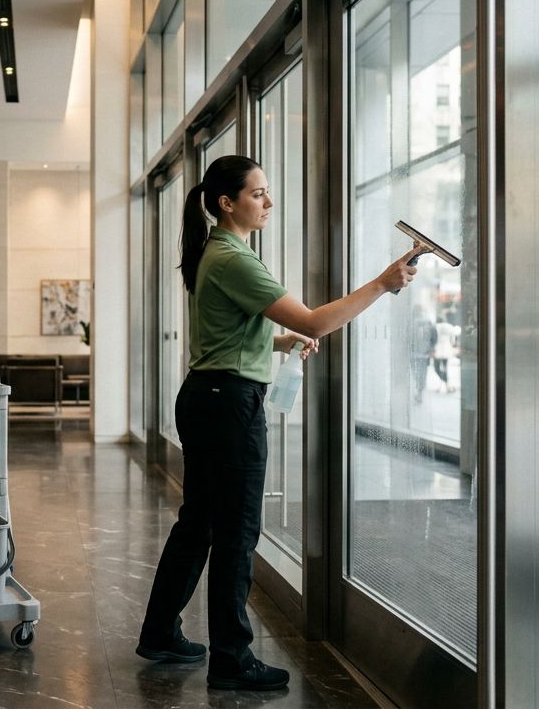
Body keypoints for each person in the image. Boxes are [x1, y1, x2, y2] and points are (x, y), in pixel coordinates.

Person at [136, 155, 421, 691]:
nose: (268, 202)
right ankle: (231, 658)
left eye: (267, 192)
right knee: (237, 531)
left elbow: (230, 331)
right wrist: (382, 283)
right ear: (228, 203)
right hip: (228, 407)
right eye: (258, 193)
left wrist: (282, 340)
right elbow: (316, 318)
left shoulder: (216, 252)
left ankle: (160, 632)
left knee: (198, 523)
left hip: (204, 396)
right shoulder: (233, 256)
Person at [411, 306, 437, 403]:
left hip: (421, 354)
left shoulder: (428, 323)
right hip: (417, 354)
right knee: (419, 374)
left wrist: (431, 349)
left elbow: (434, 336)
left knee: (419, 374)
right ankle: (419, 391)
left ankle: (419, 392)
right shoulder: (412, 322)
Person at [432, 316, 461, 392]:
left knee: (436, 368)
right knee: (445, 368)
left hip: (438, 349)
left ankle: (444, 384)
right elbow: (453, 340)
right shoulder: (450, 327)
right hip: (447, 349)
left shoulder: (436, 326)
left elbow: (433, 338)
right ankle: (447, 385)